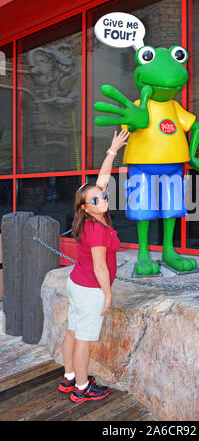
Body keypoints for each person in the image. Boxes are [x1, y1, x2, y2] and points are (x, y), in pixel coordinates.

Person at [58, 129, 129, 402]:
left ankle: (69, 378)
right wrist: (108, 294)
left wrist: (112, 151)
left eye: (103, 196)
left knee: (72, 332)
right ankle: (82, 388)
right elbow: (101, 268)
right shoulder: (97, 229)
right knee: (83, 340)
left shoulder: (91, 218)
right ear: (86, 207)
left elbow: (101, 181)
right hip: (90, 289)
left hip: (77, 283)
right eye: (97, 199)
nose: (103, 198)